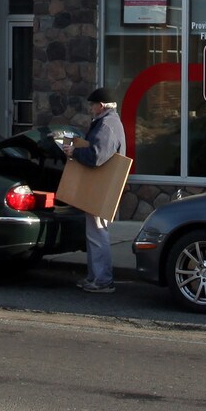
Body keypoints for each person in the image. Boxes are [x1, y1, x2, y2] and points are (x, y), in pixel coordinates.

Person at [63, 88, 126, 294]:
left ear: (101, 106)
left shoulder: (107, 125)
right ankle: (95, 277)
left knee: (98, 234)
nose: (90, 108)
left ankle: (103, 280)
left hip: (100, 189)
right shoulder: (110, 122)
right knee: (95, 233)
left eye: (92, 105)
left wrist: (74, 151)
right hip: (101, 187)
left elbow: (97, 156)